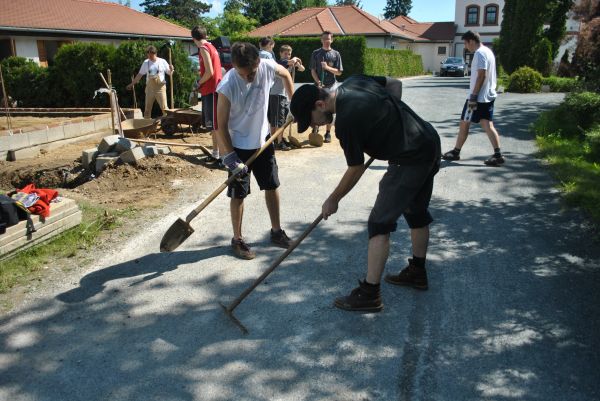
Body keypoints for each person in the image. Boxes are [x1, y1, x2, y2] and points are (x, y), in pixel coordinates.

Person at [289, 74, 441, 312]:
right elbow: (395, 84)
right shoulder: (353, 81)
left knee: (379, 223)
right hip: (428, 140)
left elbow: (355, 168)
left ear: (320, 105)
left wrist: (333, 199)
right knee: (416, 211)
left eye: (312, 120)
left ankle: (370, 294)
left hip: (409, 157)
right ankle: (417, 272)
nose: (315, 125)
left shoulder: (346, 122)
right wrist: (388, 119)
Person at [216, 42, 295, 260]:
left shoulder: (267, 66)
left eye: (252, 73)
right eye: (245, 74)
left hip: (263, 142)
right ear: (234, 66)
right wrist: (230, 157)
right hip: (237, 147)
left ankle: (276, 232)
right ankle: (237, 239)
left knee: (272, 185)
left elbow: (286, 74)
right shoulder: (228, 84)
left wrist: (293, 102)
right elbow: (219, 125)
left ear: (258, 62)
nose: (250, 78)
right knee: (238, 194)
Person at [442, 30, 504, 166]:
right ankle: (498, 155)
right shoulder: (488, 51)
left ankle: (456, 152)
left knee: (465, 122)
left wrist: (474, 96)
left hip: (477, 98)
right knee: (487, 124)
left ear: (471, 41)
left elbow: (482, 75)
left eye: (465, 43)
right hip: (486, 96)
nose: (465, 46)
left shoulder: (480, 53)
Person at [191, 25, 223, 165]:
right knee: (214, 126)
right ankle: (216, 154)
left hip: (211, 90)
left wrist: (199, 83)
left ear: (193, 38)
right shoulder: (211, 46)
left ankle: (222, 157)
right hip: (213, 89)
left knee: (216, 126)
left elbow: (209, 72)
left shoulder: (203, 48)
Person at [269, 44, 305, 151]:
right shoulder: (279, 63)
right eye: (285, 53)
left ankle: (277, 139)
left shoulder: (290, 63)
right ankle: (278, 142)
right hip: (277, 94)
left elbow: (302, 69)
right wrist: (294, 60)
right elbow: (289, 62)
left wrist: (298, 64)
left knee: (279, 119)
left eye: (289, 54)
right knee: (277, 120)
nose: (287, 56)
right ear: (280, 53)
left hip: (283, 95)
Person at [309, 31, 343, 144]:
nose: (326, 41)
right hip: (319, 86)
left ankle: (328, 133)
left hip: (332, 86)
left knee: (330, 110)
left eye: (328, 39)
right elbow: (313, 70)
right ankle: (315, 127)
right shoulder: (316, 53)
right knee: (316, 108)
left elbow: (339, 72)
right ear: (321, 40)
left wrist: (327, 67)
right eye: (324, 39)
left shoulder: (336, 54)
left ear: (332, 40)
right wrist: (318, 81)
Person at [127, 45, 174, 118]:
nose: (149, 57)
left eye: (151, 56)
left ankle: (168, 124)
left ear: (155, 54)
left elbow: (169, 73)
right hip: (150, 88)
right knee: (147, 109)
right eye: (148, 55)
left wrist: (172, 69)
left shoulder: (162, 61)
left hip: (160, 88)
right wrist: (131, 84)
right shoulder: (146, 62)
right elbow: (139, 75)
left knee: (164, 108)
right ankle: (146, 124)